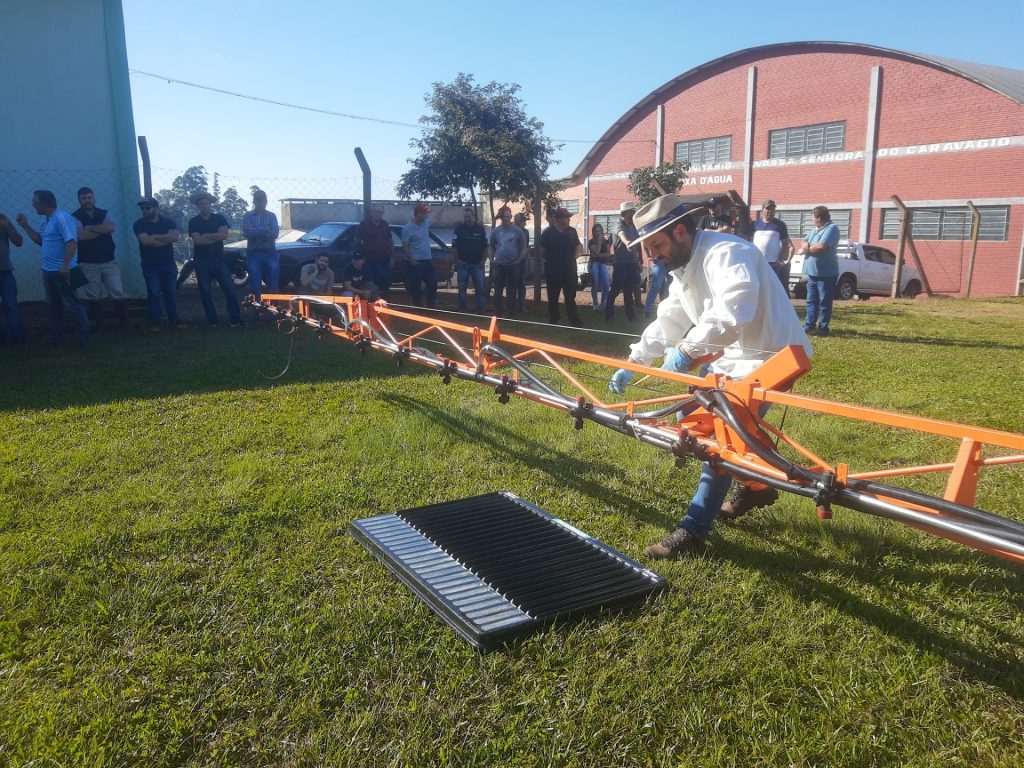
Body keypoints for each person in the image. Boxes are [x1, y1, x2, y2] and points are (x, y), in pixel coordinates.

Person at [607, 193, 811, 558]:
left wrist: (686, 351)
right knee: (693, 416)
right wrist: (636, 359)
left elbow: (734, 313)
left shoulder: (728, 254)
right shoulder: (683, 268)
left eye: (656, 245)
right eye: (648, 248)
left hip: (771, 358)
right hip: (732, 356)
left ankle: (693, 532)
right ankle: (755, 487)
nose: (652, 255)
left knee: (721, 438)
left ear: (681, 232)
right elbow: (671, 317)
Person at [16, 190, 91, 348]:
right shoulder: (48, 221)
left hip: (63, 271)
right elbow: (41, 240)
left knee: (73, 306)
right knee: (54, 306)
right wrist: (25, 225)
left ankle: (85, 341)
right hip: (48, 271)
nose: (33, 205)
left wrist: (65, 265)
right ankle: (57, 338)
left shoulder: (61, 218)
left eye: (35, 202)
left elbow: (71, 241)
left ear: (44, 203)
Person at [72, 186, 129, 330]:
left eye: (90, 197)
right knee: (94, 295)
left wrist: (90, 227)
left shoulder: (105, 213)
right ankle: (100, 326)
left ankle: (125, 324)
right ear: (79, 200)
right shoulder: (74, 216)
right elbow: (81, 236)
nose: (87, 200)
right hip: (88, 262)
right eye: (84, 198)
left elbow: (111, 228)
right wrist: (102, 230)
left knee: (117, 292)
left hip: (109, 260)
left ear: (94, 198)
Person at [188, 191, 244, 327]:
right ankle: (212, 320)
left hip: (219, 260)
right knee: (205, 292)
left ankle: (235, 319)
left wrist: (206, 235)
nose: (205, 206)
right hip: (201, 260)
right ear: (198, 206)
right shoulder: (194, 221)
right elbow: (198, 240)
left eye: (207, 203)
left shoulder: (219, 218)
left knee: (230, 289)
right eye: (202, 204)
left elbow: (223, 235)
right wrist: (214, 236)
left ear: (210, 204)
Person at [133, 197, 184, 331]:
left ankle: (174, 320)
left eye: (147, 207)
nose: (144, 210)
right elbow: (146, 242)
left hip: (168, 264)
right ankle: (155, 321)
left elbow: (175, 237)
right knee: (154, 294)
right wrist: (165, 238)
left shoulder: (168, 222)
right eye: (142, 208)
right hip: (150, 265)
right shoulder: (139, 224)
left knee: (170, 293)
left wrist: (155, 237)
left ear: (156, 208)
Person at [799, 205, 840, 336]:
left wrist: (806, 249)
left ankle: (823, 328)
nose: (812, 219)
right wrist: (805, 245)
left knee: (824, 302)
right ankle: (809, 325)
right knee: (811, 301)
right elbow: (804, 241)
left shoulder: (832, 229)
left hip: (826, 274)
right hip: (812, 274)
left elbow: (821, 246)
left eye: (812, 216)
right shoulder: (815, 230)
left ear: (819, 217)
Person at [539, 207, 583, 326]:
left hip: (569, 270)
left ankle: (574, 320)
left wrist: (574, 256)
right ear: (559, 219)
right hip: (552, 270)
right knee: (553, 296)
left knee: (570, 296)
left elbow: (578, 247)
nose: (569, 219)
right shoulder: (548, 233)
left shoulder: (572, 232)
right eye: (566, 217)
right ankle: (554, 319)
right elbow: (542, 250)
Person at [241, 189, 280, 301]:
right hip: (254, 253)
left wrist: (256, 231)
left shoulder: (272, 216)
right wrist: (265, 229)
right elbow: (248, 234)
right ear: (254, 201)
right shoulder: (247, 216)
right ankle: (257, 312)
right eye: (258, 200)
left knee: (273, 283)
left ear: (266, 201)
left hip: (270, 252)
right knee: (255, 285)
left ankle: (273, 311)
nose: (261, 202)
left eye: (263, 200)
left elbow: (275, 234)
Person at [488, 205, 527, 317]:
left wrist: (519, 260)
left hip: (513, 264)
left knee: (512, 289)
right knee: (498, 289)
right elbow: (491, 246)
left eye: (508, 216)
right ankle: (498, 311)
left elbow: (524, 247)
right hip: (499, 264)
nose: (506, 219)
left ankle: (511, 311)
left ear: (511, 217)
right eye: (504, 217)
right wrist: (491, 258)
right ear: (501, 218)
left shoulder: (517, 231)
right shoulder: (496, 232)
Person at [605, 201, 640, 322]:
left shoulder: (633, 226)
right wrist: (627, 242)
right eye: (631, 212)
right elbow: (621, 234)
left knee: (629, 293)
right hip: (621, 264)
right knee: (615, 291)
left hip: (631, 263)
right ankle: (609, 315)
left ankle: (631, 317)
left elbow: (638, 242)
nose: (633, 214)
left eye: (633, 212)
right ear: (625, 213)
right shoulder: (618, 224)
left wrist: (638, 259)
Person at [452, 206, 489, 312]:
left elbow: (485, 246)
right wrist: (457, 260)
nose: (466, 218)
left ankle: (481, 308)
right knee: (462, 288)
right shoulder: (459, 229)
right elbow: (454, 247)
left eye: (468, 216)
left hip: (477, 264)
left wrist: (483, 260)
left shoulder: (480, 229)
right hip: (463, 264)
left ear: (473, 217)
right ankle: (463, 308)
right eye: (465, 217)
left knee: (480, 288)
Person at [356, 204, 395, 299]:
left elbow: (390, 241)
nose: (378, 214)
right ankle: (374, 303)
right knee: (374, 281)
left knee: (386, 281)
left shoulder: (385, 224)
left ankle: (384, 305)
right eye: (376, 212)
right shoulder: (364, 224)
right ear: (372, 212)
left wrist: (392, 257)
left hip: (384, 258)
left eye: (381, 212)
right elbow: (357, 239)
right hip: (370, 259)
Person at [401, 202, 436, 308]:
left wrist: (443, 207)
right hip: (416, 262)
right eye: (425, 213)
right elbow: (405, 246)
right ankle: (418, 308)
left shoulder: (426, 223)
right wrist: (411, 260)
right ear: (418, 214)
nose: (427, 215)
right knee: (415, 287)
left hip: (427, 261)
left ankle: (431, 308)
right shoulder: (407, 228)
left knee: (432, 284)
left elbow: (436, 219)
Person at [750, 199, 792, 287]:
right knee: (757, 286)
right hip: (757, 262)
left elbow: (785, 244)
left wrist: (780, 259)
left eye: (772, 209)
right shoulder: (755, 224)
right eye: (768, 209)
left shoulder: (780, 225)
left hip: (773, 264)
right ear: (762, 210)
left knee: (771, 288)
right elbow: (746, 238)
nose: (770, 211)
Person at [0, 210, 27, 344]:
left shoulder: (3, 220)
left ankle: (19, 339)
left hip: (5, 272)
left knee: (11, 305)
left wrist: (7, 226)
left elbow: (18, 241)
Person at [587, 222, 611, 311]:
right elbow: (596, 252)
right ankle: (595, 304)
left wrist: (600, 255)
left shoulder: (606, 241)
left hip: (603, 264)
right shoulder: (591, 242)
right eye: (596, 231)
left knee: (606, 284)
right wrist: (600, 242)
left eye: (600, 231)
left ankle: (603, 304)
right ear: (594, 232)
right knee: (595, 284)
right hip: (594, 263)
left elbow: (608, 254)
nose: (599, 233)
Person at [513, 212, 530, 312]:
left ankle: (521, 305)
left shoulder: (526, 232)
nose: (525, 223)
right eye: (523, 221)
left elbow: (526, 247)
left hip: (522, 261)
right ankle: (513, 305)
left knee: (522, 285)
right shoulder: (511, 231)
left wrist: (527, 261)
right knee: (512, 285)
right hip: (512, 261)